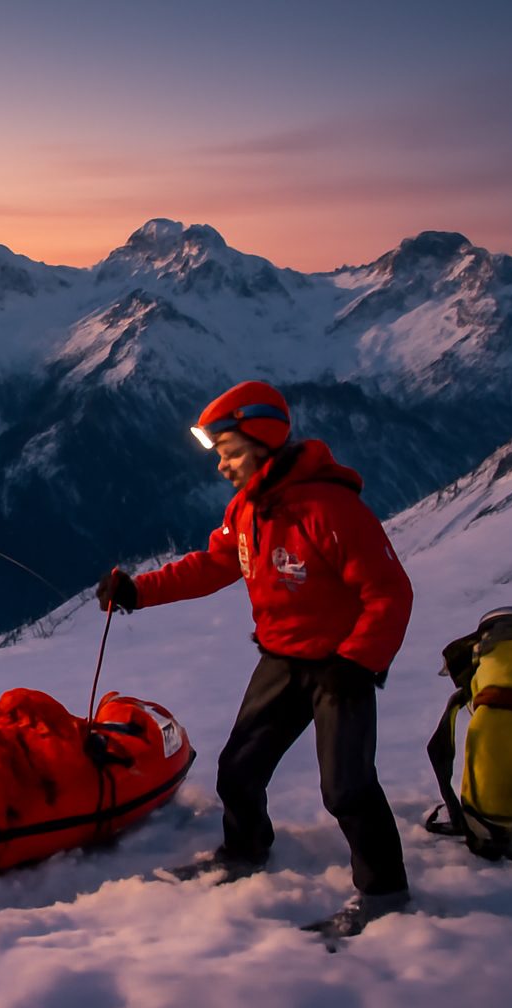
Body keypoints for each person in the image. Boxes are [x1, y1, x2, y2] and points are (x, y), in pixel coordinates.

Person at [96, 380, 413, 936]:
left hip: (341, 669)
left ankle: (384, 891)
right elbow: (214, 564)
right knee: (238, 770)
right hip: (282, 659)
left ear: (264, 445)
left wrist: (357, 662)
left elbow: (390, 592)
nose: (222, 466)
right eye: (220, 455)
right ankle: (244, 853)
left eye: (231, 453)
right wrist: (138, 591)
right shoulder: (248, 509)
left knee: (347, 788)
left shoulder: (329, 509)